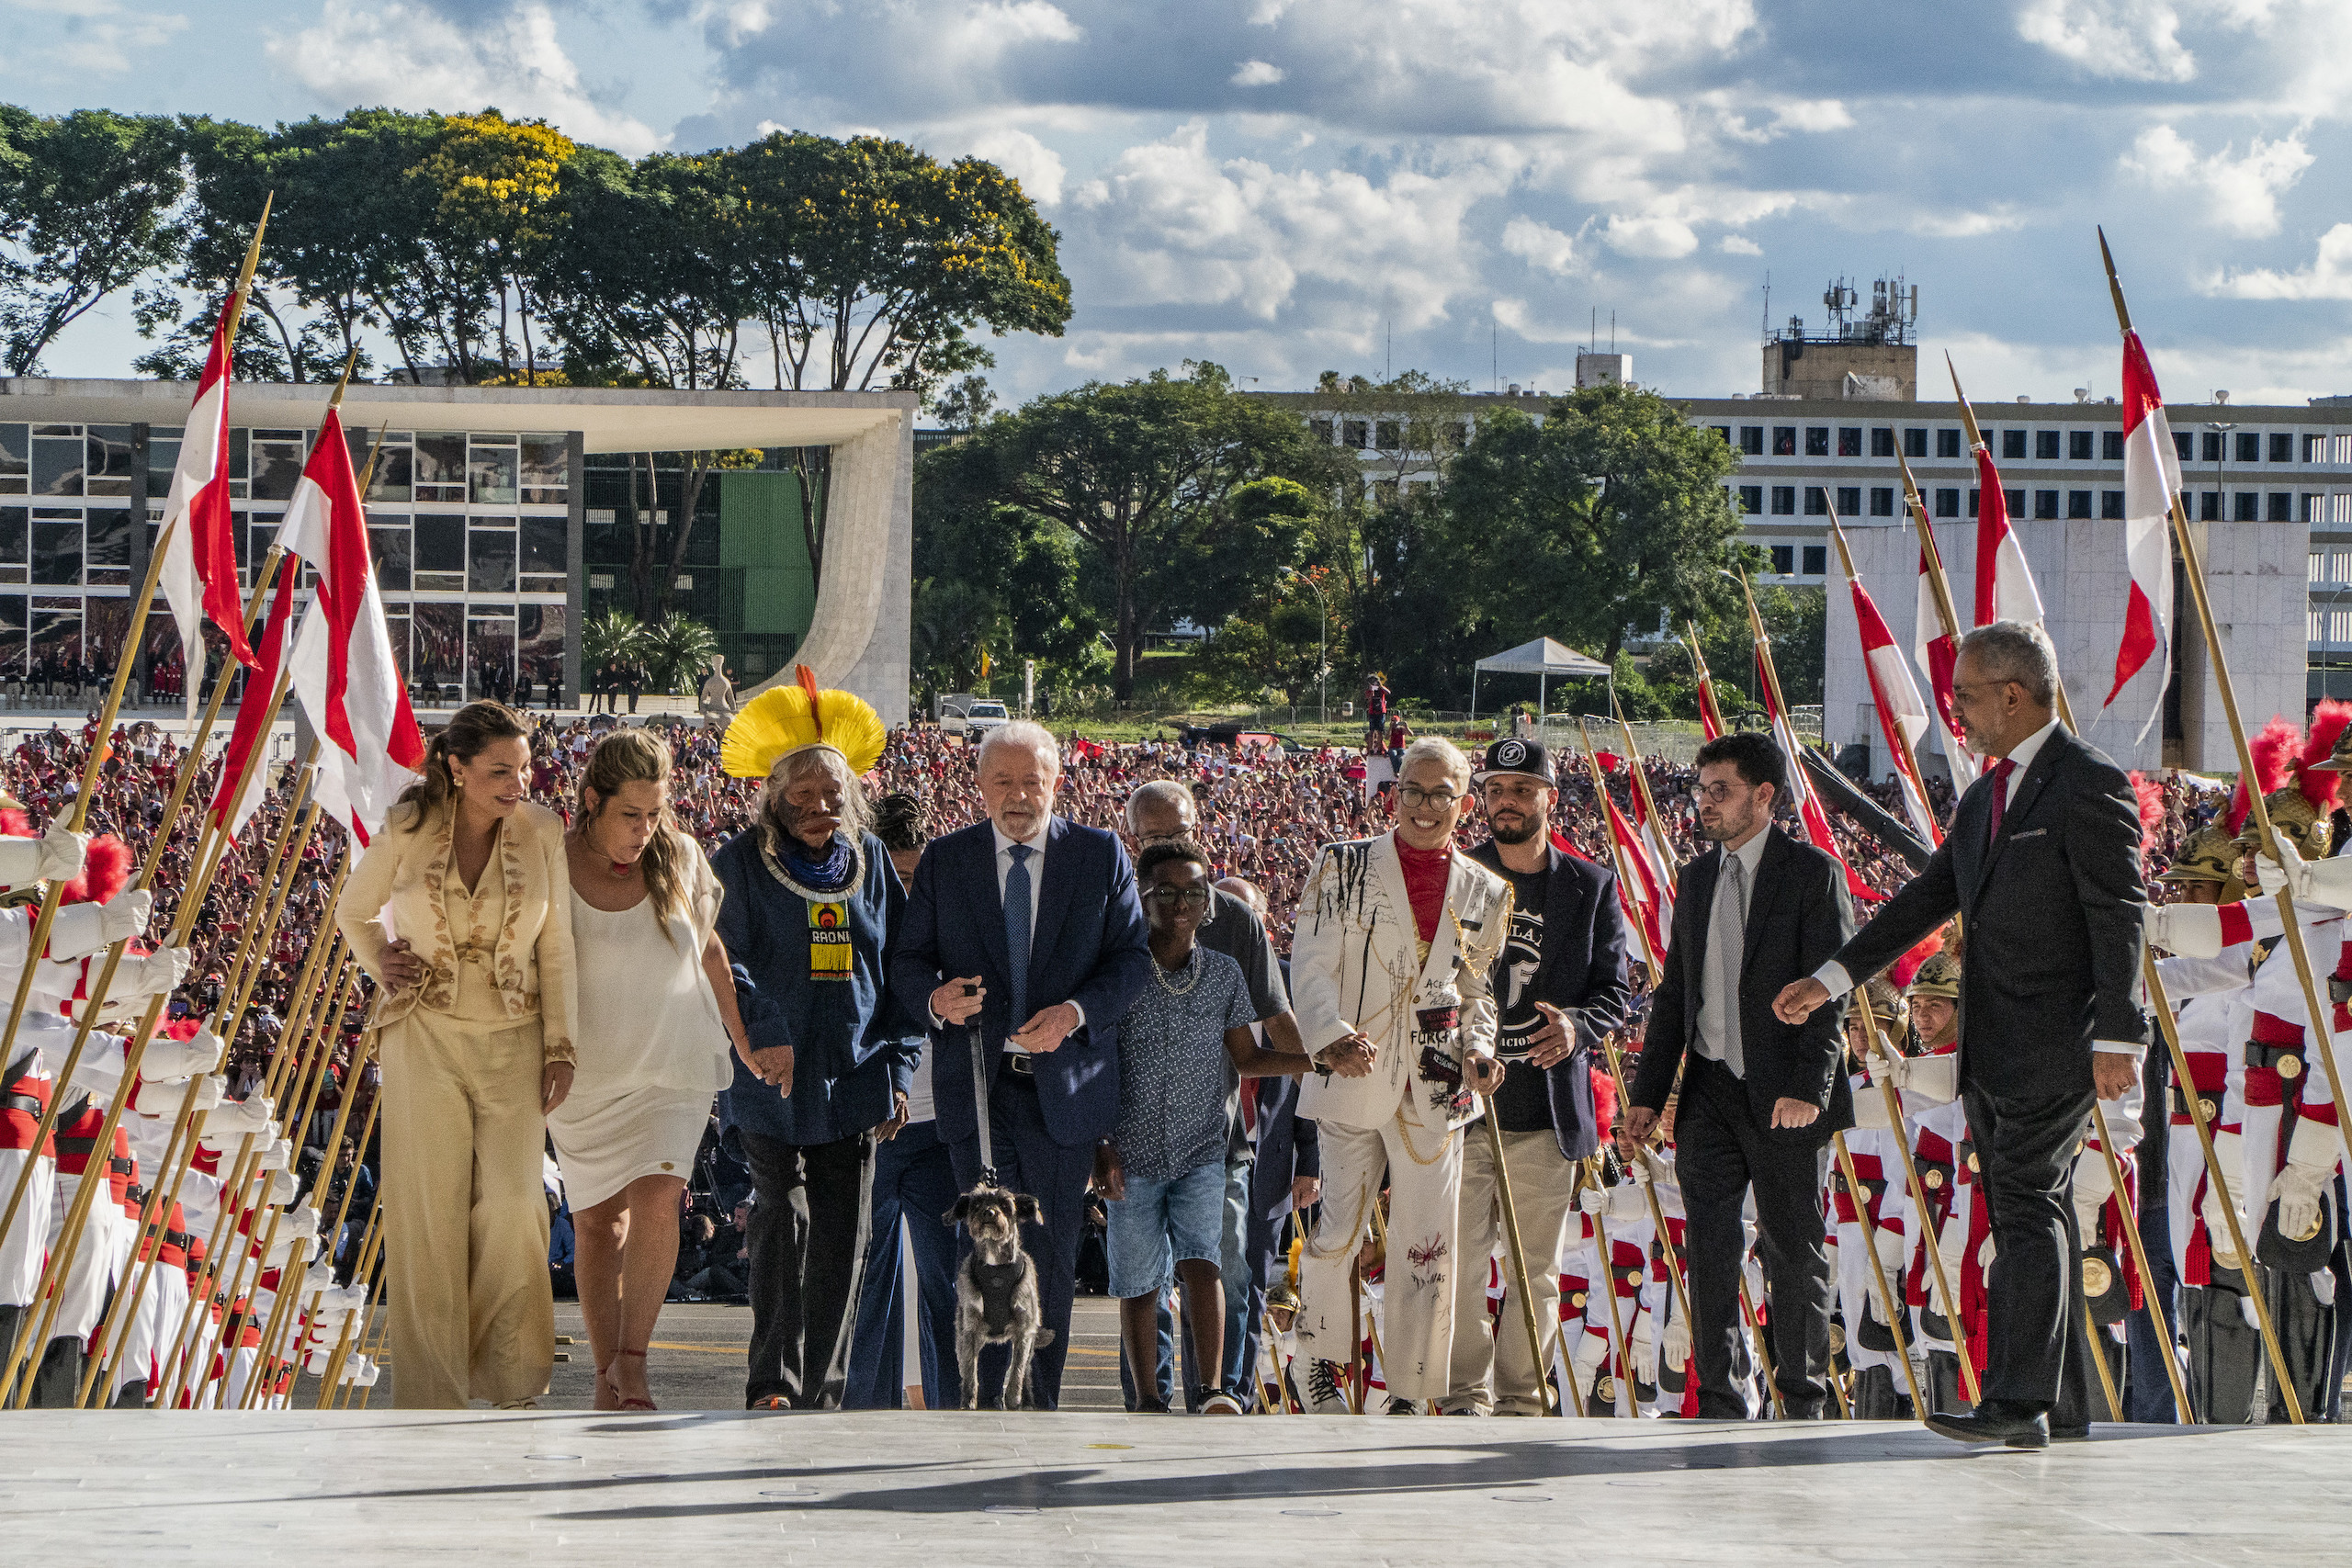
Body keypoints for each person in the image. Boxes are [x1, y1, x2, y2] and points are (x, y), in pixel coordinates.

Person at [1774, 620, 2149, 1449]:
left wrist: (2121, 1036)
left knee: (2024, 1203)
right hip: (1992, 1045)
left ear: (2015, 694)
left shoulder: (2087, 782)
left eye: (1968, 696)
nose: (1957, 713)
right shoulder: (1987, 794)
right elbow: (1925, 899)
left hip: (2059, 1038)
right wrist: (1832, 978)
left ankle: (2017, 1404)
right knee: (2031, 1205)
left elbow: (2120, 912)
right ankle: (2063, 1401)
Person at [888, 719, 1153, 1409]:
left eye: (1031, 780)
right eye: (1001, 780)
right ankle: (968, 1405)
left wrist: (1074, 1013)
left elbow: (1131, 961)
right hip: (976, 1089)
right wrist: (937, 999)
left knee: (1052, 1256)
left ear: (1057, 782)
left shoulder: (1099, 856)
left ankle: (1036, 1406)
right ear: (978, 786)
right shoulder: (947, 861)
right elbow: (907, 963)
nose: (1017, 795)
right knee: (979, 1251)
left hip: (1062, 1097)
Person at [334, 700, 579, 1409]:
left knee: (512, 1203)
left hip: (516, 1038)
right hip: (424, 1035)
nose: (518, 783)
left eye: (525, 768)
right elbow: (354, 910)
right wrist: (383, 957)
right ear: (457, 766)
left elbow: (555, 945)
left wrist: (562, 1044)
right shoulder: (408, 826)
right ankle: (432, 1392)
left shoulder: (544, 832)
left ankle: (509, 1378)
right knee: (427, 1214)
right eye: (501, 770)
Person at [1625, 728, 1853, 1420]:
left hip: (1785, 1095)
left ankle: (1802, 1398)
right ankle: (1722, 1398)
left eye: (1719, 790)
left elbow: (1831, 991)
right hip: (1710, 1092)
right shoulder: (1696, 879)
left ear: (1764, 795)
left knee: (1792, 1248)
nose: (1704, 803)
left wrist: (1806, 1091)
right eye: (1701, 789)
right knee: (1711, 1249)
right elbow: (1674, 995)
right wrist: (1648, 1094)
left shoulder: (1812, 873)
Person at [1289, 737, 1510, 1415]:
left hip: (1441, 1077)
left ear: (1464, 803)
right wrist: (1328, 1038)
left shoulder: (1487, 887)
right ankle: (1319, 1363)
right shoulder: (1342, 865)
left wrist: (1479, 1050)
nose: (1423, 806)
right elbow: (1311, 964)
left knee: (1427, 1241)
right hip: (1354, 1063)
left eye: (1440, 794)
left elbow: (1476, 992)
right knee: (1339, 1230)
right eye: (1412, 790)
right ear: (1394, 793)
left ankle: (1413, 1386)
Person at [713, 673, 911, 1411]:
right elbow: (719, 958)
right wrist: (762, 1032)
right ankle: (773, 1381)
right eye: (804, 795)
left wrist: (899, 1069)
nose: (821, 807)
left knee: (840, 1237)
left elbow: (900, 972)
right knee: (781, 1219)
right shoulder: (737, 864)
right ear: (774, 796)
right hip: (767, 1081)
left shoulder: (873, 865)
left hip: (855, 1078)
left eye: (834, 794)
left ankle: (823, 1388)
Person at [546, 728, 745, 1412]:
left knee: (660, 1198)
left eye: (656, 812)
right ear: (592, 801)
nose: (646, 828)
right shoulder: (551, 860)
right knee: (599, 1223)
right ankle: (605, 1371)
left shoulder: (681, 856)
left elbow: (712, 951)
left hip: (673, 1063)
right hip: (583, 1076)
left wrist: (745, 1044)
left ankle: (635, 1362)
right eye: (632, 814)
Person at [1443, 737, 1633, 1416]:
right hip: (1464, 1111)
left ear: (1551, 797)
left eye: (1522, 789)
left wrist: (1579, 1025)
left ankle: (1523, 1397)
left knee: (1537, 1274)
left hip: (1547, 1115)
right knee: (1461, 1266)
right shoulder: (1457, 874)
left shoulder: (1591, 884)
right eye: (1495, 790)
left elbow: (1619, 990)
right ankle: (1466, 1395)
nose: (1507, 802)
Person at [1097, 840, 1311, 1414]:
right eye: (1165, 892)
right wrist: (1100, 1146)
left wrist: (1318, 1060)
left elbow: (1248, 1058)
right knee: (1139, 1282)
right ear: (1142, 899)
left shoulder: (1223, 972)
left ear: (1209, 902)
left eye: (1193, 891)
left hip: (1202, 1149)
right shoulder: (1118, 971)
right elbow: (1093, 1064)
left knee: (1204, 1264)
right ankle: (1148, 1399)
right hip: (1130, 1152)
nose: (1182, 903)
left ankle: (1212, 1390)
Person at [845, 794, 962, 1410]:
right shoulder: (849, 930)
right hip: (868, 1123)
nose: (905, 891)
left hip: (938, 1126)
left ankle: (952, 1414)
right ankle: (862, 1412)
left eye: (915, 878)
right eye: (893, 877)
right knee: (866, 1283)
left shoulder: (951, 931)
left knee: (948, 1285)